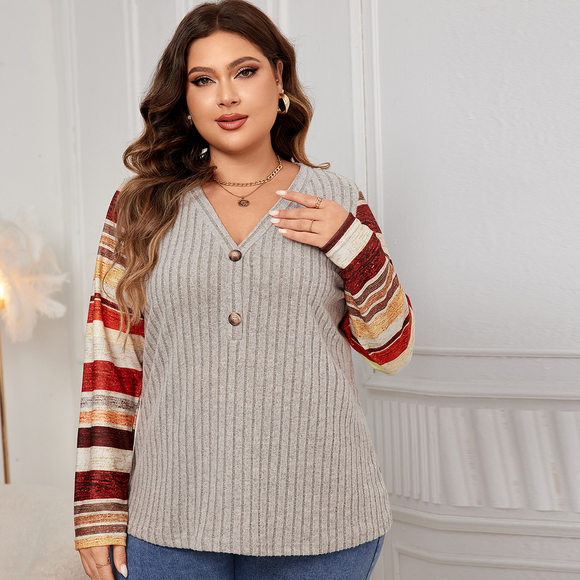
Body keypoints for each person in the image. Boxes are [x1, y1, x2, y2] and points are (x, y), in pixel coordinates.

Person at [73, 1, 415, 578]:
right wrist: (97, 511)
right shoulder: (138, 207)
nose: (226, 96)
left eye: (245, 71)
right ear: (185, 99)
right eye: (203, 80)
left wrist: (351, 243)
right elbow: (110, 364)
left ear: (279, 78)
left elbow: (392, 350)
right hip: (172, 518)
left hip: (323, 517)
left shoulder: (336, 198)